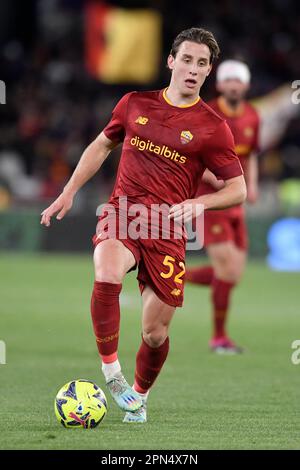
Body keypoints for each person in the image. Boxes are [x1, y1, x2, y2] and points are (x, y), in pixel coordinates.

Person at [40, 28, 246, 423]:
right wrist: (68, 191)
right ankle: (111, 374)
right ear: (171, 61)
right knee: (107, 271)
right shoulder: (134, 104)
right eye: (186, 59)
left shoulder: (212, 127)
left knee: (154, 333)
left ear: (208, 72)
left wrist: (200, 203)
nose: (192, 69)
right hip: (124, 214)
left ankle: (139, 394)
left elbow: (237, 189)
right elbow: (102, 145)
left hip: (168, 230)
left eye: (202, 64)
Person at [185, 59, 260, 354]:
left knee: (233, 275)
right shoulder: (207, 114)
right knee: (226, 269)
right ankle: (218, 338)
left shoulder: (253, 116)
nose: (233, 85)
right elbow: (191, 157)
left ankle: (169, 274)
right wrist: (212, 178)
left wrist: (250, 185)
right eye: (228, 80)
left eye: (238, 81)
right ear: (219, 85)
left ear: (246, 85)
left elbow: (251, 155)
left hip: (235, 200)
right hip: (211, 201)